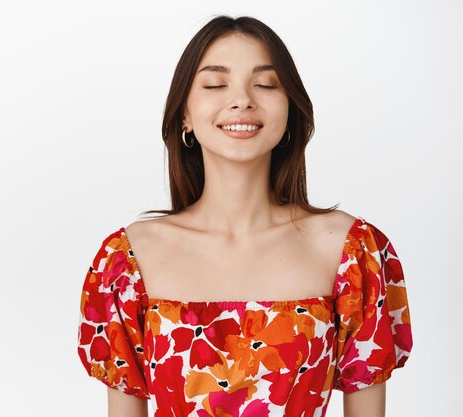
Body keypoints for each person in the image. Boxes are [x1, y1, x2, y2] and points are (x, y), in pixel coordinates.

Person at [76, 14, 413, 417]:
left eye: (266, 84)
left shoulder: (353, 254)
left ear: (290, 110)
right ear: (184, 114)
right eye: (216, 84)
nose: (242, 100)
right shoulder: (127, 261)